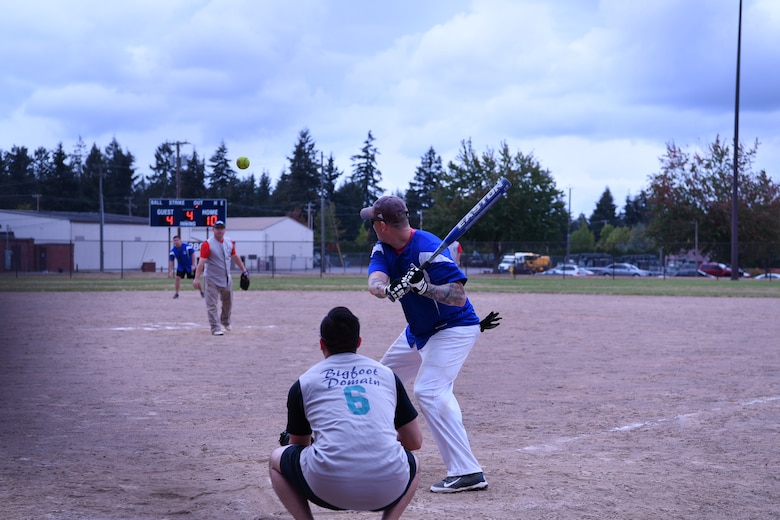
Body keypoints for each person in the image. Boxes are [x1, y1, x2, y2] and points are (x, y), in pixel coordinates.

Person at [360, 195, 488, 494]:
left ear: (382, 225)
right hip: (419, 331)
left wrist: (423, 288)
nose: (371, 226)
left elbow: (458, 297)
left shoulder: (428, 248)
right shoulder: (383, 247)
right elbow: (374, 282)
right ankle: (376, 448)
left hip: (454, 329)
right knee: (379, 380)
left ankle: (467, 471)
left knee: (429, 390)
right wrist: (388, 289)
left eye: (372, 221)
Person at [269, 306, 422, 519]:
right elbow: (414, 442)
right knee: (413, 461)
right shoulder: (386, 375)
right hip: (387, 490)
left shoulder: (305, 382)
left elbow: (299, 445)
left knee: (277, 458)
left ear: (322, 343)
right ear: (358, 342)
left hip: (325, 489)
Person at [192, 220, 248, 336]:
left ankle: (225, 321)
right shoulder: (207, 244)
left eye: (222, 228)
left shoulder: (229, 242)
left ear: (225, 230)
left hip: (226, 278)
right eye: (217, 228)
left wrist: (244, 270)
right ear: (213, 230)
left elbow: (235, 257)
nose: (220, 230)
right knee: (211, 304)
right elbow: (201, 263)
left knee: (228, 302)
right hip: (211, 278)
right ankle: (215, 327)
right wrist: (196, 279)